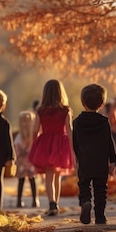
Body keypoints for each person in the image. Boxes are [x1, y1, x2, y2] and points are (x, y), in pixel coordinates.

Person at [28, 79, 76, 216]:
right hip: (61, 145)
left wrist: (35, 144)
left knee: (49, 176)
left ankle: (52, 204)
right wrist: (73, 148)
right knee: (57, 176)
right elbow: (69, 130)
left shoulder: (41, 110)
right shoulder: (65, 110)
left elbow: (35, 130)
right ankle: (56, 204)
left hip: (46, 144)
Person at [72, 84, 116, 224]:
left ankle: (85, 202)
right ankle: (100, 216)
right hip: (101, 161)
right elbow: (109, 142)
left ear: (82, 102)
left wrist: (77, 159)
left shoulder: (77, 122)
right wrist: (113, 160)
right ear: (102, 104)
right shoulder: (104, 122)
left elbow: (75, 143)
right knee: (100, 189)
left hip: (85, 159)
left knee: (84, 185)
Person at [14, 110, 39, 208]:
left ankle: (19, 201)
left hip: (21, 162)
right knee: (32, 179)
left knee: (21, 180)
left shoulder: (19, 137)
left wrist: (17, 159)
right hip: (31, 160)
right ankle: (35, 200)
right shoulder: (34, 137)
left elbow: (17, 149)